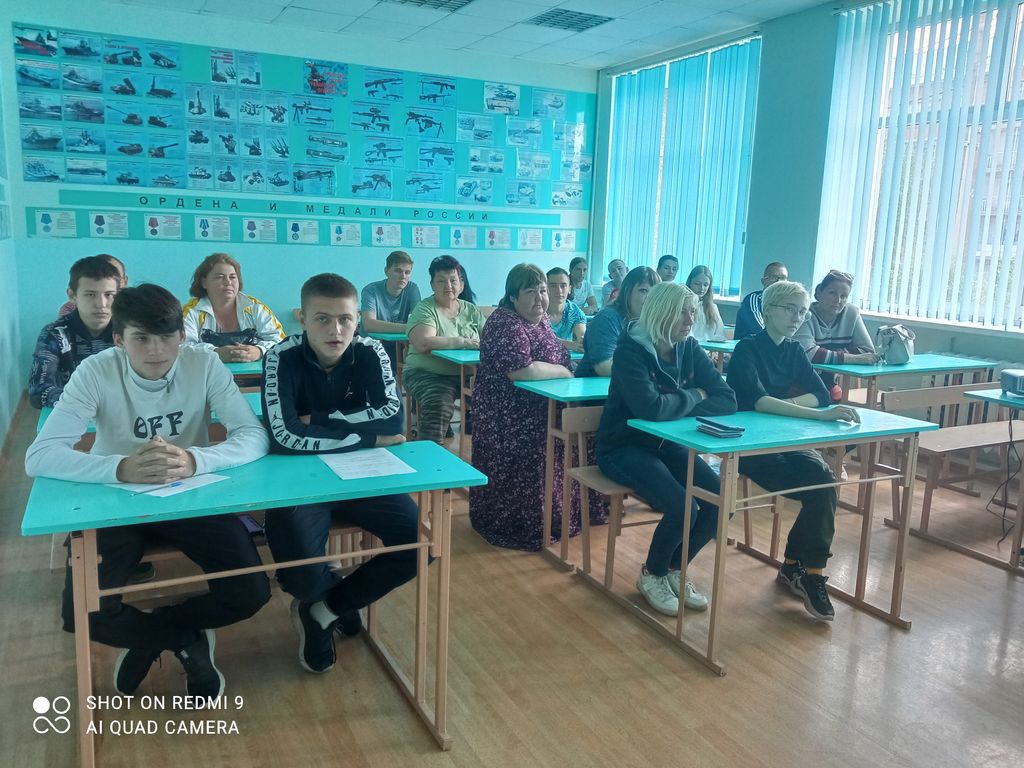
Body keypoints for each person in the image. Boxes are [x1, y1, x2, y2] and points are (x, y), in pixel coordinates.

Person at [25, 284, 272, 697]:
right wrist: (121, 468)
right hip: (115, 501)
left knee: (250, 591)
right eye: (141, 338)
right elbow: (41, 455)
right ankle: (183, 638)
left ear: (182, 336)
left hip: (189, 493)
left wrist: (196, 460)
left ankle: (154, 634)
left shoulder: (203, 363)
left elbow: (253, 434)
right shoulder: (96, 371)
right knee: (81, 614)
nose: (156, 350)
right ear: (119, 339)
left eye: (167, 337)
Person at [261, 273, 414, 674]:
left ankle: (326, 611)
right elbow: (283, 436)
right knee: (301, 577)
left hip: (362, 475)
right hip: (299, 479)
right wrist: (366, 437)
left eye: (346, 319)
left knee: (419, 543)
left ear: (356, 320)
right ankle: (322, 597)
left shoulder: (372, 351)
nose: (336, 329)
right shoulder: (280, 357)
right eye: (323, 319)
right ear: (302, 318)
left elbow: (394, 419)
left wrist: (323, 419)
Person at [597, 283, 737, 616]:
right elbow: (650, 409)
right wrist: (696, 396)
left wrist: (677, 404)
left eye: (693, 311)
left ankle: (673, 568)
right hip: (622, 448)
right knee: (683, 507)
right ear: (662, 312)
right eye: (683, 312)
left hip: (668, 446)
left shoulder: (688, 347)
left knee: (720, 502)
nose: (691, 319)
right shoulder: (630, 349)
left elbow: (727, 398)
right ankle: (653, 574)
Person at [726, 280, 861, 622]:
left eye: (801, 311)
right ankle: (796, 570)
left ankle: (808, 572)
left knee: (824, 482)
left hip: (785, 438)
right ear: (769, 310)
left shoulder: (794, 350)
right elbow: (757, 402)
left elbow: (820, 394)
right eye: (789, 309)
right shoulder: (746, 349)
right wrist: (812, 413)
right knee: (816, 486)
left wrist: (783, 405)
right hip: (749, 446)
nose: (797, 317)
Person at [470, 264, 589, 551]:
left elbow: (550, 353)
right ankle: (520, 526)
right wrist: (563, 370)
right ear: (512, 296)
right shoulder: (503, 322)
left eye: (543, 291)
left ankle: (556, 519)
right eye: (530, 292)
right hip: (507, 414)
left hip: (542, 407)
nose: (540, 298)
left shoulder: (541, 320)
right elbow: (521, 370)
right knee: (529, 461)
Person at [404, 255, 486, 443]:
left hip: (468, 374)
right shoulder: (425, 309)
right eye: (441, 281)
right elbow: (424, 342)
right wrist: (463, 341)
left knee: (499, 397)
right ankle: (430, 456)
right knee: (439, 402)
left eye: (453, 280)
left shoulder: (472, 310)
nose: (448, 285)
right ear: (432, 285)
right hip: (426, 373)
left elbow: (491, 340)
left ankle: (487, 456)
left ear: (461, 284)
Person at [30, 255, 121, 409]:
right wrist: (85, 403)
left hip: (121, 415)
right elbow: (38, 391)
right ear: (72, 295)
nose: (101, 304)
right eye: (90, 294)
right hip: (71, 412)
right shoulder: (55, 334)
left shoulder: (128, 332)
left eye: (109, 295)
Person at [182, 252, 285, 363]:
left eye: (233, 277)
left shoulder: (255, 307)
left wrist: (260, 350)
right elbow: (181, 347)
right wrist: (216, 353)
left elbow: (281, 341)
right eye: (220, 277)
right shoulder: (191, 312)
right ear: (204, 283)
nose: (228, 282)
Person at [793, 269, 877, 400]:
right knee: (831, 394)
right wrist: (855, 358)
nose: (838, 300)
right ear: (818, 293)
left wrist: (826, 353)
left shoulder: (851, 313)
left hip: (827, 382)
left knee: (834, 393)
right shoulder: (804, 313)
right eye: (832, 293)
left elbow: (868, 352)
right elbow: (809, 354)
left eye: (844, 296)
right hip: (796, 381)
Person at [576, 266, 659, 378]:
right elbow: (604, 367)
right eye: (643, 291)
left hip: (634, 385)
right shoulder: (607, 318)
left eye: (655, 293)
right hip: (596, 390)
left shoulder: (654, 320)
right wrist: (651, 368)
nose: (650, 298)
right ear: (627, 292)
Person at [359, 249, 421, 367]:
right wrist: (409, 328)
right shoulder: (371, 290)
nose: (403, 276)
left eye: (407, 272)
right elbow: (369, 325)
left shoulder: (412, 288)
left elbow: (420, 321)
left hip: (398, 345)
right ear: (386, 271)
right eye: (398, 271)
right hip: (371, 346)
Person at [57, 253, 127, 318]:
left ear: (125, 282)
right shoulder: (70, 308)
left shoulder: (134, 306)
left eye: (117, 279)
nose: (101, 304)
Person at [735, 261, 789, 339]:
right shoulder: (753, 300)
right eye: (774, 277)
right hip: (750, 348)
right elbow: (760, 330)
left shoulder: (787, 303)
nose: (779, 282)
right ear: (763, 281)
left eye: (783, 278)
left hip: (776, 347)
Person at [546, 267, 586, 352]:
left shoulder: (574, 311)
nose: (559, 291)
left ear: (570, 289)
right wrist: (570, 345)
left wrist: (582, 342)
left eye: (563, 286)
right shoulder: (537, 310)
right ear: (545, 288)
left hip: (567, 359)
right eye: (553, 286)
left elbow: (582, 335)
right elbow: (542, 338)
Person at [685, 265, 727, 342]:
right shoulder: (684, 306)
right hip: (691, 349)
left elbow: (720, 334)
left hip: (710, 350)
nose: (702, 288)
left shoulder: (713, 307)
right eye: (697, 284)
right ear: (690, 283)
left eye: (705, 285)